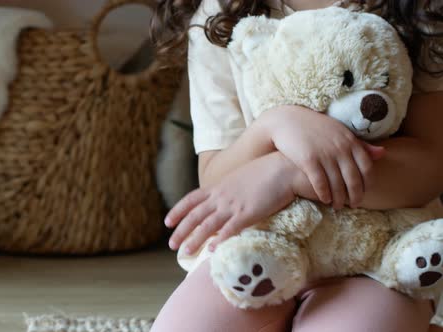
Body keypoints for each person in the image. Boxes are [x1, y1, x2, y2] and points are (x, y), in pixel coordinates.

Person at [149, 0, 443, 331]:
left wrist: (290, 173)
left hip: (376, 255)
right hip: (260, 245)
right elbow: (216, 182)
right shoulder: (220, 12)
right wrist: (273, 126)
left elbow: (430, 168)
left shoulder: (417, 8)